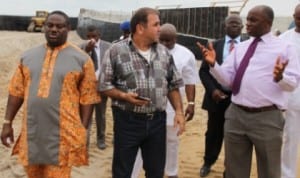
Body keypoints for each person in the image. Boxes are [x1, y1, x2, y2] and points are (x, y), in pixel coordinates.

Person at [197, 5, 300, 178]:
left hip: (267, 118)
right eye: (248, 19)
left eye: (253, 20)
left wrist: (280, 77)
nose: (247, 24)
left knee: (269, 172)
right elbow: (228, 80)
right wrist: (213, 65)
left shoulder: (285, 48)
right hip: (236, 115)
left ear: (267, 23)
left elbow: (292, 84)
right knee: (234, 171)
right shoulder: (241, 48)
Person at [0, 10, 100, 178]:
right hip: (32, 133)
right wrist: (7, 122)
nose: (54, 29)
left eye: (59, 26)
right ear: (44, 27)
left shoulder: (82, 60)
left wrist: (82, 131)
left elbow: (88, 98)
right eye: (50, 25)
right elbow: (16, 92)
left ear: (68, 28)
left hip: (63, 135)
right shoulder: (27, 57)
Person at [99, 7, 185, 178]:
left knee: (155, 171)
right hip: (127, 122)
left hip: (157, 122)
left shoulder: (164, 52)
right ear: (140, 28)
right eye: (156, 24)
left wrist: (179, 111)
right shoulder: (116, 51)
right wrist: (124, 96)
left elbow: (173, 85)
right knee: (122, 171)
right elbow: (104, 85)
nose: (159, 28)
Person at [131, 23, 199, 178]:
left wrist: (191, 103)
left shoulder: (186, 54)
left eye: (169, 41)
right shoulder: (143, 49)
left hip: (173, 108)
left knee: (172, 142)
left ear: (176, 38)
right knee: (142, 143)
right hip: (147, 106)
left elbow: (190, 81)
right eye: (162, 40)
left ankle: (171, 172)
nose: (165, 44)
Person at [199, 14, 245, 177]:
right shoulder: (214, 45)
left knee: (235, 136)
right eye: (231, 23)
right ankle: (208, 162)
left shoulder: (247, 46)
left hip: (239, 99)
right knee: (213, 133)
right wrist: (213, 90)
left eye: (237, 24)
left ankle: (230, 168)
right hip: (216, 99)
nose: (234, 26)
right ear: (224, 26)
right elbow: (204, 71)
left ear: (242, 27)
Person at [80, 25, 111, 149]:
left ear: (99, 36)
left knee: (101, 115)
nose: (91, 39)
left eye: (94, 36)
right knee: (86, 116)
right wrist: (87, 50)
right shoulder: (81, 47)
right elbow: (77, 62)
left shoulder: (108, 47)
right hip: (86, 88)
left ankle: (101, 139)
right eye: (89, 36)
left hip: (101, 87)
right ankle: (84, 142)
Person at [280, 4, 300, 178]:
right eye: (298, 16)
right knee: (291, 138)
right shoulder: (284, 38)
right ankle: (287, 174)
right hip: (292, 96)